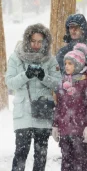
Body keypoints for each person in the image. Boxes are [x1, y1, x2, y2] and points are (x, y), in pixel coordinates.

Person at [6, 24, 61, 171]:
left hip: (42, 111)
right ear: (27, 40)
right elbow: (10, 82)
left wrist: (44, 77)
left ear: (45, 42)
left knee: (40, 155)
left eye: (40, 42)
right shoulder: (15, 57)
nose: (36, 45)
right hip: (23, 112)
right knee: (21, 152)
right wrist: (26, 75)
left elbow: (58, 84)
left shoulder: (50, 59)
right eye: (33, 41)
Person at [52, 43, 87, 171]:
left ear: (78, 65)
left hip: (80, 131)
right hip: (65, 130)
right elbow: (59, 107)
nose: (66, 66)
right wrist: (55, 125)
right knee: (66, 162)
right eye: (66, 63)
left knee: (80, 162)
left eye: (70, 63)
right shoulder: (63, 84)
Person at [56, 13, 87, 79]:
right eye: (71, 27)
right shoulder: (63, 52)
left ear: (83, 29)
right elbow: (59, 75)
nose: (73, 30)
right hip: (68, 88)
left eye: (76, 27)